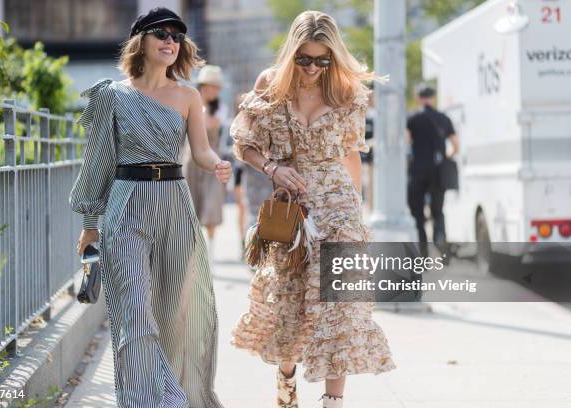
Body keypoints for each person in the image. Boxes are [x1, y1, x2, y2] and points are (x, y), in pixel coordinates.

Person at [229, 11, 395, 408]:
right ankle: (286, 382)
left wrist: (359, 209)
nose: (313, 69)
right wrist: (273, 168)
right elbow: (244, 143)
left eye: (323, 60)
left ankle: (332, 403)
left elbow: (351, 154)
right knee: (289, 303)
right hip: (293, 212)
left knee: (340, 308)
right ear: (292, 53)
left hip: (340, 209)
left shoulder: (345, 89)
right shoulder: (270, 84)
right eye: (305, 59)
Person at [69, 7, 230, 408]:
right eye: (160, 33)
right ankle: (157, 399)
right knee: (135, 313)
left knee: (176, 314)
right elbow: (98, 160)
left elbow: (202, 151)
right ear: (140, 41)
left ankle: (172, 391)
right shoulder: (113, 95)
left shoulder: (189, 95)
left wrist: (218, 165)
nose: (170, 41)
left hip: (175, 207)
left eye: (176, 36)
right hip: (128, 206)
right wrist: (91, 222)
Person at [406, 84, 459, 256]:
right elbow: (456, 145)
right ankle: (441, 245)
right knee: (438, 211)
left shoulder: (412, 118)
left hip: (418, 171)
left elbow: (406, 142)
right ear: (433, 97)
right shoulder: (444, 118)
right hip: (438, 171)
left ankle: (423, 254)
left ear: (418, 98)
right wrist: (446, 157)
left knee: (418, 214)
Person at [184, 64, 227, 257]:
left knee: (211, 208)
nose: (216, 91)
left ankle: (210, 253)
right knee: (191, 209)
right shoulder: (188, 103)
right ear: (204, 86)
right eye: (213, 86)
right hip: (191, 163)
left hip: (213, 164)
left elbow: (209, 124)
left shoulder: (220, 109)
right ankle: (193, 253)